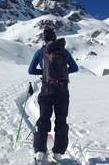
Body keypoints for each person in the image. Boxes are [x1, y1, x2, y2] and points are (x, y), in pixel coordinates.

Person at [28, 26, 78, 162]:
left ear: (44, 39)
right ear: (55, 38)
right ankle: (58, 153)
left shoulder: (41, 52)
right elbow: (75, 68)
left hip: (46, 89)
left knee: (44, 119)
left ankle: (39, 150)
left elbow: (31, 70)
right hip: (62, 90)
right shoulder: (63, 51)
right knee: (61, 120)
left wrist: (44, 73)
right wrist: (63, 73)